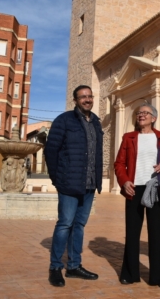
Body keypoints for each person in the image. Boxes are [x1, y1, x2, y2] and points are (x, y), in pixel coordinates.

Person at [44, 85, 103, 288]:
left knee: (79, 226)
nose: (87, 99)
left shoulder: (95, 121)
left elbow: (97, 153)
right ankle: (55, 267)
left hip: (89, 185)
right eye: (82, 97)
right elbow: (51, 150)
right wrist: (56, 179)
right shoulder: (64, 120)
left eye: (89, 96)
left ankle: (74, 266)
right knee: (65, 224)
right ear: (75, 100)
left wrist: (97, 181)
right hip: (68, 183)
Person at [114, 103, 160, 288]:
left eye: (145, 113)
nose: (141, 115)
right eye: (139, 113)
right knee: (132, 233)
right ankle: (129, 273)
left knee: (158, 233)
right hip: (134, 188)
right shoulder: (128, 138)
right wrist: (125, 181)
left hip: (155, 188)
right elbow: (119, 163)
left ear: (154, 118)